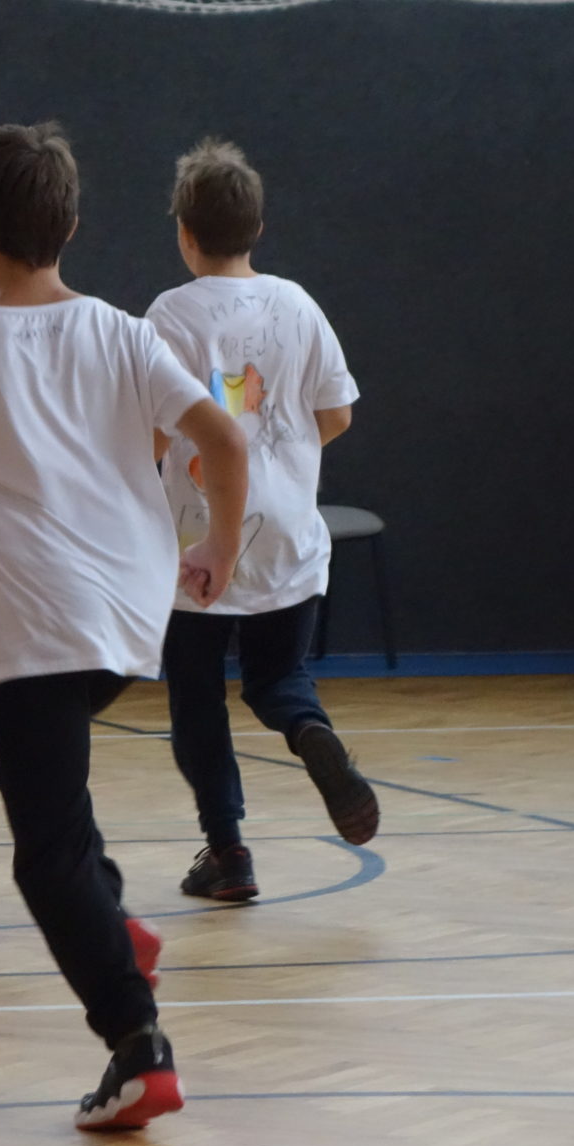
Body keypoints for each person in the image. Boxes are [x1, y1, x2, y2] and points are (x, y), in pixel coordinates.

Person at [0, 122, 248, 1132]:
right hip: (129, 617)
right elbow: (223, 439)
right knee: (39, 780)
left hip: (38, 628)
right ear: (72, 226)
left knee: (42, 854)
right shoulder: (126, 332)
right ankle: (116, 925)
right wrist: (218, 547)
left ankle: (138, 1046)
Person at [148, 138, 377, 904]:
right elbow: (336, 413)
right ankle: (312, 733)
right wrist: (283, 462)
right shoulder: (298, 303)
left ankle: (229, 853)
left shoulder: (170, 315)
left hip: (198, 537)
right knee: (279, 676)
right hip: (287, 532)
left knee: (196, 697)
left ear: (185, 232)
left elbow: (151, 435)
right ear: (257, 228)